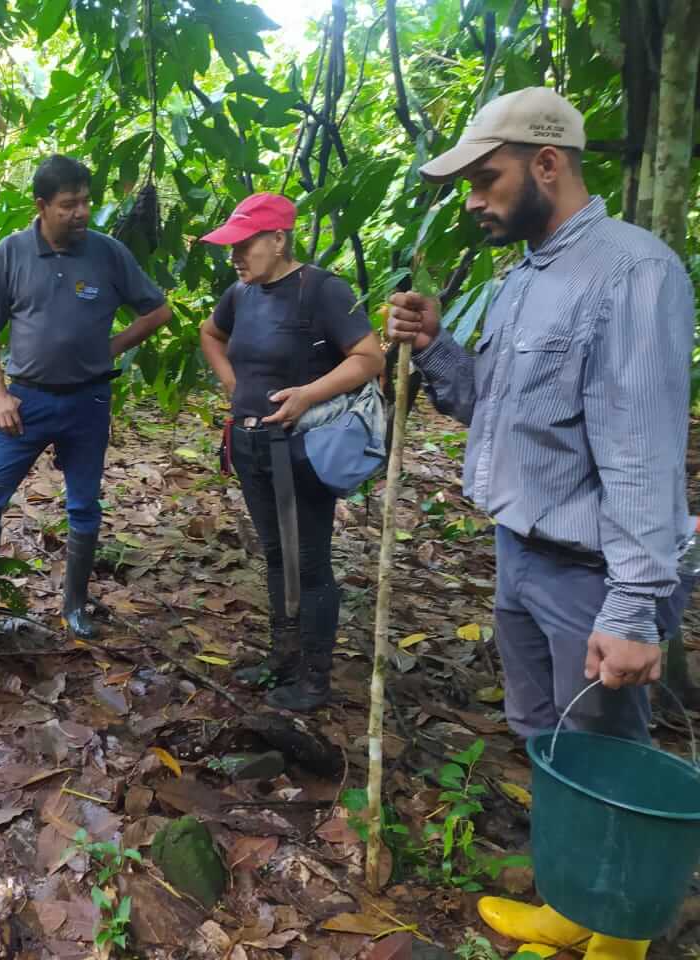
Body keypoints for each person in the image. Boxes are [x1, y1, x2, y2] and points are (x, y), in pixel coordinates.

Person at [387, 87, 692, 960]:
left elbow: (641, 454)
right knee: (550, 740)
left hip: (592, 569)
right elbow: (491, 406)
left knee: (603, 751)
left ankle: (620, 938)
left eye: (487, 179)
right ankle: (574, 903)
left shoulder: (632, 273)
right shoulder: (524, 279)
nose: (476, 201)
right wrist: (436, 346)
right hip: (521, 548)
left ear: (547, 164)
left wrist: (633, 609)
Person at [0, 155, 171, 638]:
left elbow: (158, 311)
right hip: (24, 402)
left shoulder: (107, 252)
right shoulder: (11, 252)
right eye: (69, 204)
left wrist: (110, 347)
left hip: (88, 402)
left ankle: (74, 607)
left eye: (86, 202)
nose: (81, 213)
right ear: (42, 205)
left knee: (83, 506)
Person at [199, 193, 382, 711]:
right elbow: (210, 334)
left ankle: (315, 679)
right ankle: (283, 657)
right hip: (250, 444)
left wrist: (308, 394)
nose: (235, 256)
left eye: (245, 244)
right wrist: (234, 386)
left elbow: (369, 358)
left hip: (301, 450)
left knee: (311, 561)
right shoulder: (241, 293)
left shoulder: (321, 291)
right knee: (277, 555)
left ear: (279, 239)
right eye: (231, 246)